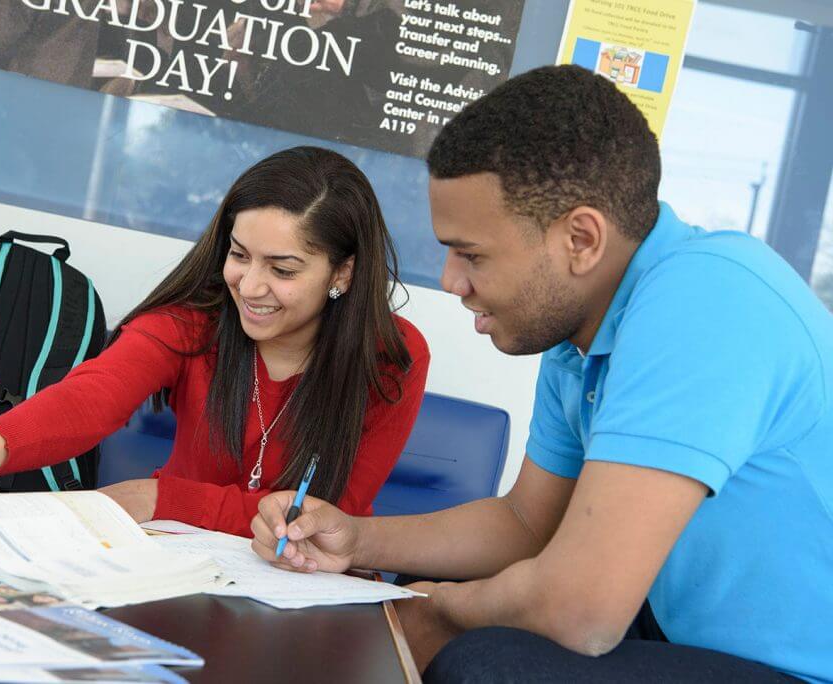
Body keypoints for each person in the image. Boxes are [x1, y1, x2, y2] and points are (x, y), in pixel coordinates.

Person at [250, 66, 832, 683]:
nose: (452, 281)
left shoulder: (707, 298)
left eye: (472, 254)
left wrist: (436, 611)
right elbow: (529, 524)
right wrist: (357, 542)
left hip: (801, 668)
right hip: (679, 631)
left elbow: (580, 610)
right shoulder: (582, 332)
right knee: (435, 588)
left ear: (580, 239)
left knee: (487, 663)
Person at [0, 146, 430, 537]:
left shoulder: (393, 357)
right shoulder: (196, 318)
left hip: (299, 582)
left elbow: (333, 515)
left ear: (343, 274)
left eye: (283, 269)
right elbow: (91, 397)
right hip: (167, 550)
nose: (251, 287)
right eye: (239, 256)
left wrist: (162, 498)